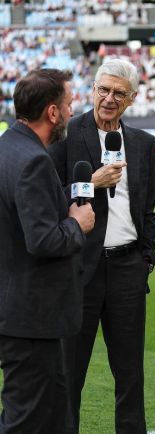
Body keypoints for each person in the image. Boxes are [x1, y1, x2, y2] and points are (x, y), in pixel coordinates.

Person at [48, 59, 155, 434]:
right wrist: (90, 183)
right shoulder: (65, 135)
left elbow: (147, 209)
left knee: (131, 375)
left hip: (128, 268)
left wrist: (146, 255)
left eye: (118, 93)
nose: (109, 99)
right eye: (103, 90)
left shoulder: (144, 144)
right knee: (69, 374)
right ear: (92, 89)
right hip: (79, 270)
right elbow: (45, 202)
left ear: (132, 99)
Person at [0, 69, 95, 433]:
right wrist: (77, 224)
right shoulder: (33, 160)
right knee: (26, 421)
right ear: (52, 112)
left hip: (26, 316)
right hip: (31, 319)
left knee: (55, 418)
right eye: (69, 105)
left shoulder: (9, 146)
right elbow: (41, 240)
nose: (73, 112)